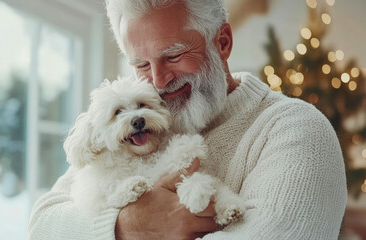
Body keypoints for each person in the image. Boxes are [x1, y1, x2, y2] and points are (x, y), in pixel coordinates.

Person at [27, 0, 347, 239]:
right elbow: (42, 225)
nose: (159, 80)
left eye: (174, 55)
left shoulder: (297, 128)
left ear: (222, 43)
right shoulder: (133, 137)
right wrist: (126, 226)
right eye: (141, 65)